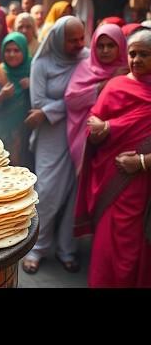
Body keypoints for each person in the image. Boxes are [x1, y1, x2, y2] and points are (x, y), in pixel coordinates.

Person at [74, 29, 151, 287]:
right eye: (132, 54)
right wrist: (99, 132)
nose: (136, 59)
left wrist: (141, 163)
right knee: (107, 249)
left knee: (135, 253)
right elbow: (92, 126)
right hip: (111, 183)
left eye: (144, 54)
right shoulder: (116, 86)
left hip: (143, 189)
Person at [22, 16, 87, 275]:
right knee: (47, 191)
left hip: (80, 132)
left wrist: (54, 108)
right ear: (59, 39)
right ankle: (37, 247)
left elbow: (90, 92)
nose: (79, 44)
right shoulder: (43, 62)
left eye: (82, 38)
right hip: (51, 134)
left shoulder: (86, 58)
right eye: (73, 40)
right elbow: (38, 103)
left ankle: (66, 249)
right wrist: (69, 104)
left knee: (74, 192)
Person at [64, 24, 128, 177]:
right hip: (87, 139)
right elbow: (72, 99)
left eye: (111, 45)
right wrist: (107, 84)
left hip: (120, 137)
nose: (105, 50)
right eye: (100, 46)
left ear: (120, 45)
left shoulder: (130, 69)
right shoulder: (85, 67)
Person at [0, 32, 33, 169]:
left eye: (16, 50)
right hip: (1, 135)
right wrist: (0, 96)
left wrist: (33, 85)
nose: (12, 54)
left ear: (24, 51)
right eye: (8, 50)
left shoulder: (33, 70)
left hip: (26, 135)